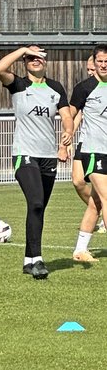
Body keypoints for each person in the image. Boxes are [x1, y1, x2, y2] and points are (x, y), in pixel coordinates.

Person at [0, 44, 72, 280]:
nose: (35, 61)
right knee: (36, 202)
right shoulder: (18, 85)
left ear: (46, 62)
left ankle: (28, 260)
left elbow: (67, 116)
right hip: (24, 154)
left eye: (39, 57)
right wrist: (23, 49)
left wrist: (67, 135)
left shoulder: (55, 88)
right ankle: (37, 259)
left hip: (48, 156)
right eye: (30, 58)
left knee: (38, 208)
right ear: (25, 62)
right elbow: (0, 67)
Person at [69, 45, 107, 266]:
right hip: (94, 151)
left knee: (96, 204)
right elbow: (71, 113)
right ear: (95, 62)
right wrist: (66, 136)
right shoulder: (85, 88)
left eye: (106, 61)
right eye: (100, 61)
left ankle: (80, 250)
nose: (103, 65)